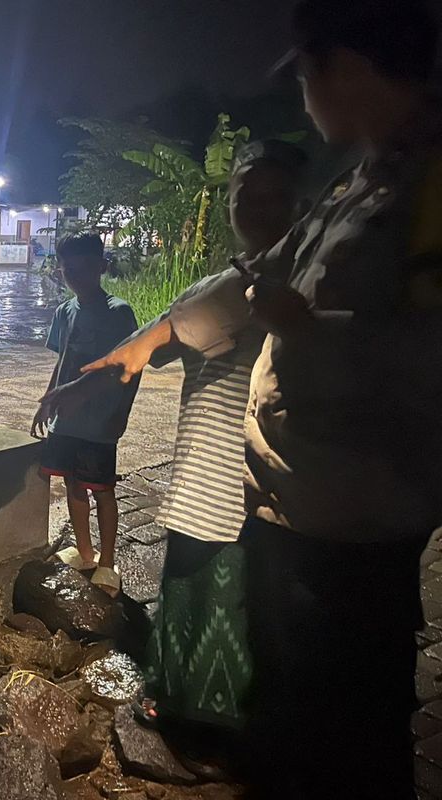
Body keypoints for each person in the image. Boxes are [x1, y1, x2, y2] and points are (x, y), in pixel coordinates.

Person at [79, 1, 442, 796]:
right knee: (292, 733)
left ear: (346, 66)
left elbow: (416, 367)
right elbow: (248, 284)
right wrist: (147, 341)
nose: (306, 93)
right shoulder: (361, 184)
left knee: (346, 741)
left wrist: (307, 332)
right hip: (294, 523)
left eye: (309, 72)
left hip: (354, 538)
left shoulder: (423, 188)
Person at [42, 140, 309, 754]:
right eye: (247, 194)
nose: (259, 207)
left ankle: (210, 731)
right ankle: (181, 699)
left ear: (306, 204)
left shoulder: (293, 281)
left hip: (247, 471)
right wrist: (65, 394)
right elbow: (144, 346)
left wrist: (106, 378)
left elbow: (144, 343)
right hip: (201, 463)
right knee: (189, 577)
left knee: (226, 587)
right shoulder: (226, 282)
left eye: (277, 196)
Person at [31, 233, 140, 595]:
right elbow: (62, 362)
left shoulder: (118, 312)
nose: (75, 275)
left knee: (103, 490)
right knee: (73, 484)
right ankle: (85, 551)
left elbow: (131, 368)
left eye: (84, 268)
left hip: (99, 421)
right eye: (68, 270)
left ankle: (107, 563)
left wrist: (121, 414)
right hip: (67, 421)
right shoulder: (64, 312)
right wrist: (47, 401)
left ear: (101, 267)